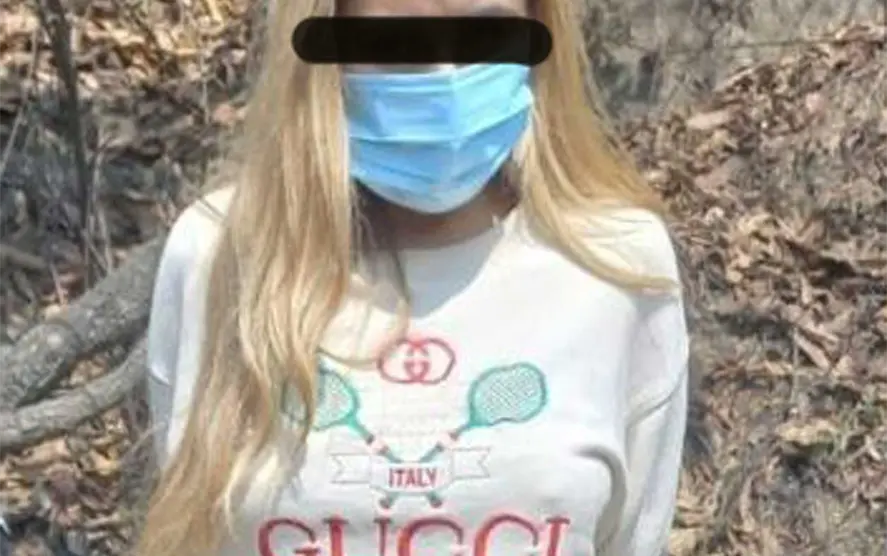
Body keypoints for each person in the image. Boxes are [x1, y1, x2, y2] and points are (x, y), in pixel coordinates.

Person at [136, 0, 690, 555]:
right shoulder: (220, 255)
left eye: (486, 33)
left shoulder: (617, 267)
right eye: (397, 42)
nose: (446, 79)